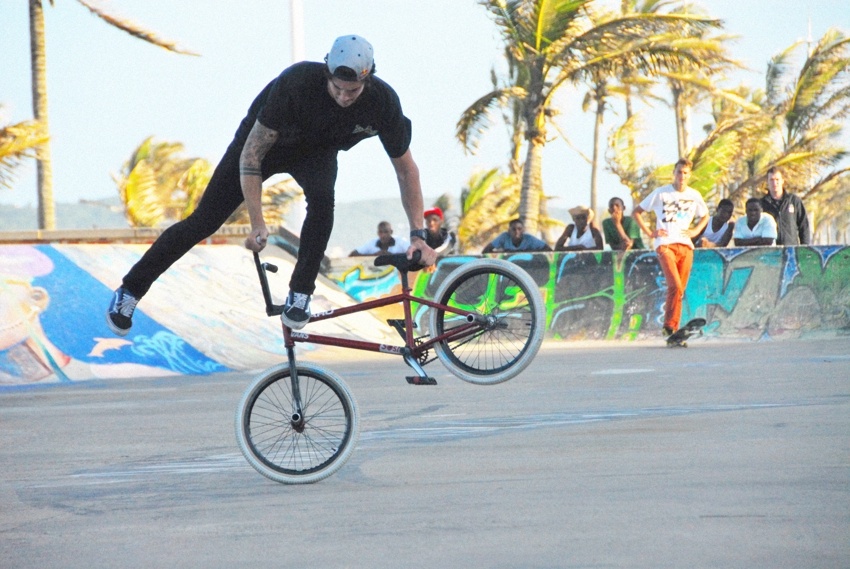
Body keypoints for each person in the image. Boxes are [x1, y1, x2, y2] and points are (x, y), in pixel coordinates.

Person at [106, 35, 436, 335]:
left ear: (368, 79)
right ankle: (130, 289)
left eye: (353, 91)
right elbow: (251, 158)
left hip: (316, 151)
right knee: (204, 220)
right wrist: (258, 222)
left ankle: (300, 294)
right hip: (263, 145)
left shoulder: (383, 103)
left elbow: (406, 171)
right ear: (327, 73)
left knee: (323, 201)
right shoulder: (296, 83)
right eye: (337, 88)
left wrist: (418, 234)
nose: (344, 97)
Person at [632, 158, 708, 337]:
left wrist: (695, 231)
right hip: (666, 244)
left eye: (685, 173)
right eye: (679, 172)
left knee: (680, 289)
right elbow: (637, 212)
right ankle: (669, 326)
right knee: (674, 284)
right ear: (674, 173)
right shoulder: (661, 193)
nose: (682, 176)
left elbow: (705, 215)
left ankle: (672, 328)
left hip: (686, 245)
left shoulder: (694, 195)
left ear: (689, 175)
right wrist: (650, 232)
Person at [760, 166, 811, 245]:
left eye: (777, 180)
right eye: (771, 180)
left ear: (782, 181)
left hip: (791, 249)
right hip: (770, 251)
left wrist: (805, 249)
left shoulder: (794, 201)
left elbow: (804, 227)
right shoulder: (762, 204)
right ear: (767, 182)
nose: (774, 183)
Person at [481, 218, 551, 253]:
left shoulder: (529, 239)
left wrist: (530, 252)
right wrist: (500, 254)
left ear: (523, 230)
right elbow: (486, 251)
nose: (517, 231)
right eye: (513, 229)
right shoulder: (504, 237)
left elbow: (548, 250)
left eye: (519, 229)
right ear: (509, 231)